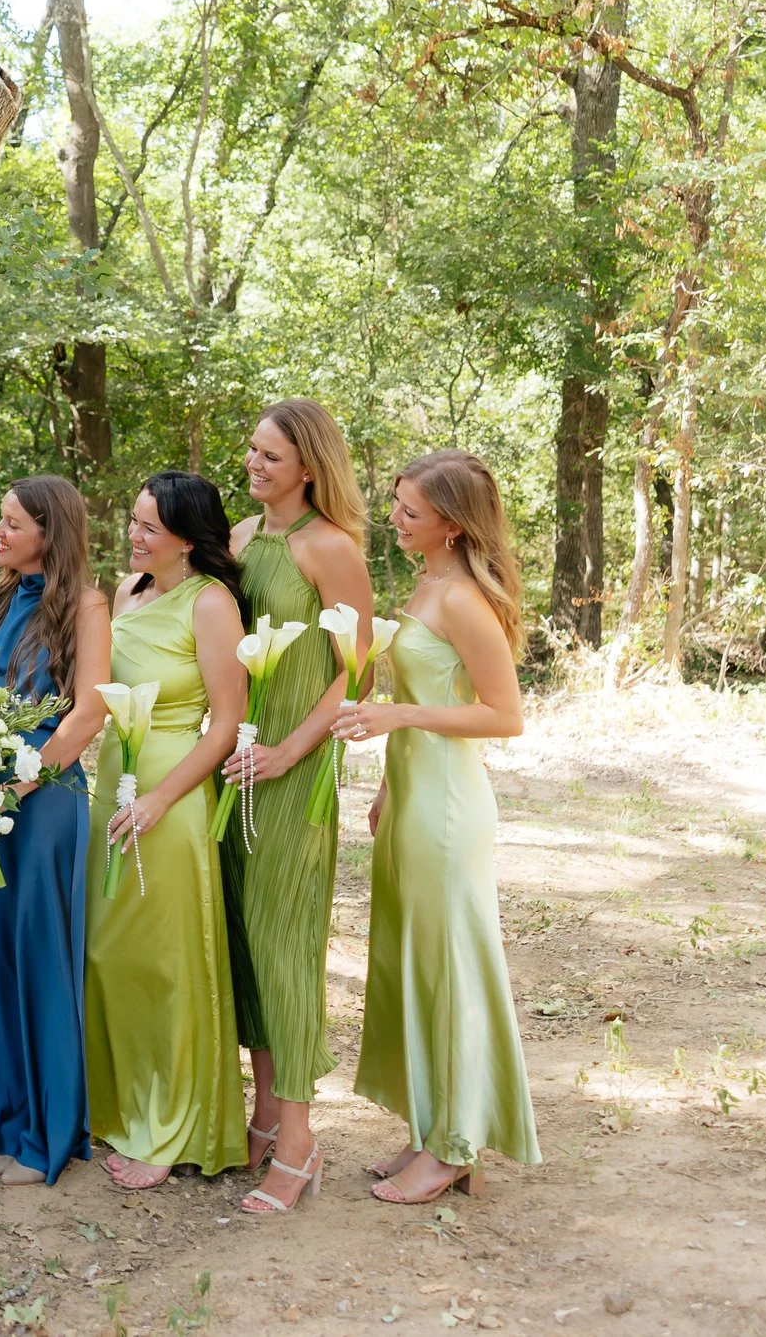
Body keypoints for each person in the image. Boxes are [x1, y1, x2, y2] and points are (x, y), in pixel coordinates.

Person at [335, 449, 541, 1203]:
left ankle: (455, 1145)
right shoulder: (427, 583)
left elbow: (505, 715)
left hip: (451, 805)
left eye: (410, 510)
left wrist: (400, 716)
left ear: (452, 526)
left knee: (450, 965)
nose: (395, 518)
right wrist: (391, 778)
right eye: (396, 503)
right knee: (415, 961)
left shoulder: (461, 600)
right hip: (414, 795)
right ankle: (430, 1126)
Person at [223, 398, 375, 1215]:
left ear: (309, 467)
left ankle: (301, 1140)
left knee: (284, 940)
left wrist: (290, 748)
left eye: (272, 456)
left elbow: (357, 670)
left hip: (295, 767)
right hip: (237, 762)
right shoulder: (243, 541)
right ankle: (261, 1112)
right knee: (245, 938)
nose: (255, 464)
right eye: (251, 450)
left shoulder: (332, 550)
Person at [86, 471, 250, 1190]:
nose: (135, 535)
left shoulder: (211, 603)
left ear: (187, 536)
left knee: (167, 963)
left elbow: (225, 724)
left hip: (171, 798)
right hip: (110, 788)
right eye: (133, 520)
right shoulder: (127, 593)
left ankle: (173, 1125)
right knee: (108, 954)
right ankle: (121, 1106)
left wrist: (159, 798)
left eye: (150, 526)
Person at [0, 476, 111, 1187]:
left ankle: (44, 1131)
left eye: (13, 523)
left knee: (38, 955)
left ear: (51, 530)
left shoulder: (86, 604)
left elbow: (89, 711)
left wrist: (22, 778)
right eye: (1, 522)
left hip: (43, 803)